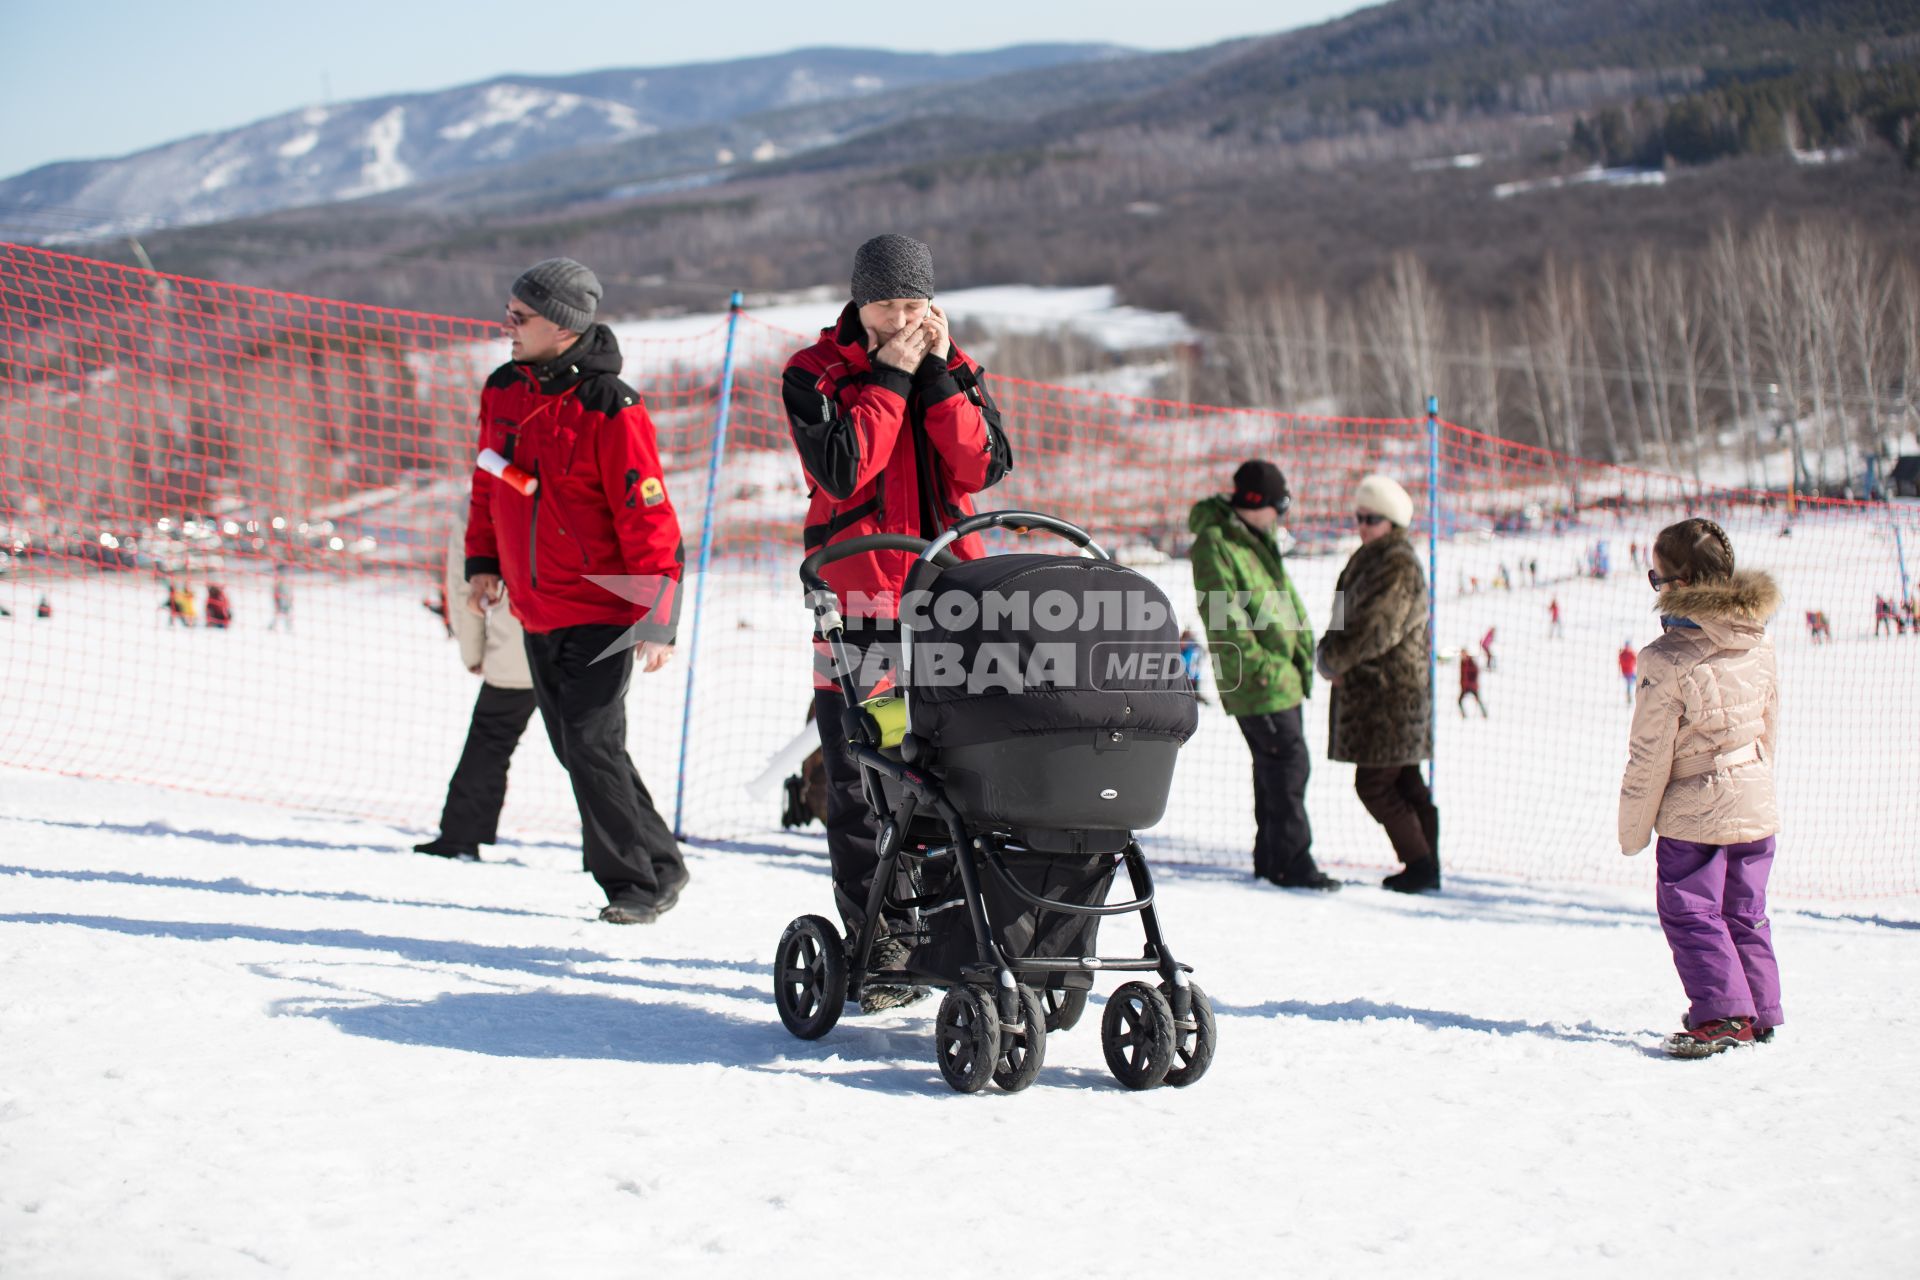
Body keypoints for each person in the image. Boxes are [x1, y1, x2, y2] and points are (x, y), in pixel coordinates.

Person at [783, 233, 1012, 1007]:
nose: (902, 320)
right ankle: (876, 941)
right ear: (859, 301)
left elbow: (984, 465)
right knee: (860, 778)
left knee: (955, 777)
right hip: (856, 611)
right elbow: (845, 468)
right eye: (888, 306)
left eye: (916, 306)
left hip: (951, 604)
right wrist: (889, 377)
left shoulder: (954, 366)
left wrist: (943, 377)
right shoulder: (813, 374)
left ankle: (952, 937)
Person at [466, 257, 688, 925]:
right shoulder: (503, 388)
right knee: (582, 747)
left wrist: (658, 615)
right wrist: (483, 559)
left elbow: (650, 518)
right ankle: (663, 862)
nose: (507, 325)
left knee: (591, 744)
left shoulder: (611, 408)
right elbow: (487, 480)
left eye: (520, 316)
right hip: (537, 607)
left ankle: (634, 885)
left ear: (560, 326)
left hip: (603, 610)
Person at [1620, 518, 1782, 1057]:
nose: (1655, 587)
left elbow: (1649, 755)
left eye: (1656, 577)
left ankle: (1723, 1015)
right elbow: (1769, 724)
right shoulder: (1759, 642)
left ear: (1680, 585)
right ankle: (1758, 1008)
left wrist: (1632, 829)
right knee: (1744, 909)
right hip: (1754, 797)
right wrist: (1754, 783)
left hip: (1698, 810)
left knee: (1691, 909)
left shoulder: (1664, 659)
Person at [1189, 460, 1334, 890]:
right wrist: (1261, 667)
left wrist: (1296, 654)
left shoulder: (1255, 538)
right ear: (1254, 504)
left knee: (1278, 768)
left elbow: (1279, 600)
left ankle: (1273, 860)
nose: (1280, 517)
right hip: (1259, 681)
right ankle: (1291, 863)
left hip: (1281, 677)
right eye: (1277, 507)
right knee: (1288, 765)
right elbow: (1221, 617)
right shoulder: (1216, 543)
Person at [1316, 474, 1438, 893]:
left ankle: (1421, 862)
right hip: (1378, 695)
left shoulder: (1396, 562)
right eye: (1359, 517)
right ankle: (1427, 866)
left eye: (1372, 518)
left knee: (1375, 784)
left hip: (1391, 697)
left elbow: (1374, 628)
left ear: (1392, 522)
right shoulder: (1369, 557)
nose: (1363, 525)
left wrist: (1333, 657)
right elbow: (1345, 617)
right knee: (1404, 780)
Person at [416, 520, 539, 862]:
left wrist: (472, 650)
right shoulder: (576, 478)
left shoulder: (482, 496)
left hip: (515, 646)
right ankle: (617, 851)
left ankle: (461, 835)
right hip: (580, 642)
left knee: (490, 738)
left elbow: (461, 583)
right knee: (594, 751)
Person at [1457, 648, 1485, 718]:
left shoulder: (1471, 662)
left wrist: (1472, 682)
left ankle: (1485, 714)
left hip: (1472, 686)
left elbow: (1476, 672)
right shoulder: (1462, 663)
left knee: (1478, 700)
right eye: (1462, 654)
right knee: (1459, 701)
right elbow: (1462, 675)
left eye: (1464, 653)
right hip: (1465, 687)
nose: (1462, 655)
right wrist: (1462, 683)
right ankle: (1464, 715)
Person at [269, 565, 293, 632]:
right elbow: (277, 592)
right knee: (280, 614)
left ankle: (288, 627)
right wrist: (281, 601)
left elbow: (287, 592)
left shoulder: (283, 580)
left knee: (282, 614)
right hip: (281, 601)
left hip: (283, 600)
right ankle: (272, 626)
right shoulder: (279, 581)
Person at [1617, 638, 1637, 705]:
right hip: (1627, 673)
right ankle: (1629, 699)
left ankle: (1629, 698)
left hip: (1629, 673)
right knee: (1631, 685)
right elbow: (1636, 660)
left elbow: (1636, 660)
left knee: (1635, 683)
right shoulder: (1626, 654)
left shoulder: (1624, 654)